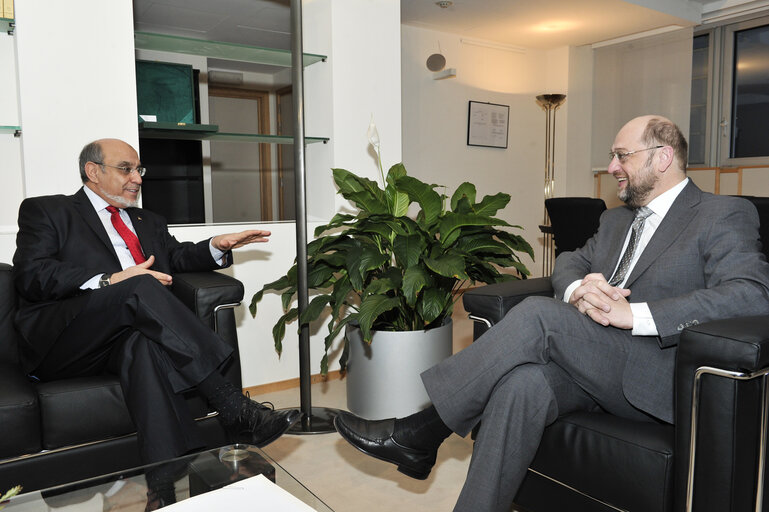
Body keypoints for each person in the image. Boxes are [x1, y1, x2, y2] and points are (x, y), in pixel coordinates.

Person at [333, 115, 769, 511]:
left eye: (622, 155)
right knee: (522, 384)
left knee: (538, 315)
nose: (612, 166)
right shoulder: (617, 221)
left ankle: (422, 431)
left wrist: (635, 314)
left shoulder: (721, 213)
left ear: (663, 158)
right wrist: (581, 287)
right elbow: (570, 261)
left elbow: (750, 294)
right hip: (594, 358)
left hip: (657, 369)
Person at [13, 138, 301, 506]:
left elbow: (175, 256)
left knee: (143, 347)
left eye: (139, 170)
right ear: (93, 171)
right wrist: (109, 280)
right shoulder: (48, 211)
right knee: (137, 286)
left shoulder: (147, 220)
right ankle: (231, 404)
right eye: (126, 169)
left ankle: (163, 486)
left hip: (122, 337)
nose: (136, 178)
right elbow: (31, 276)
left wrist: (217, 245)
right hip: (64, 339)